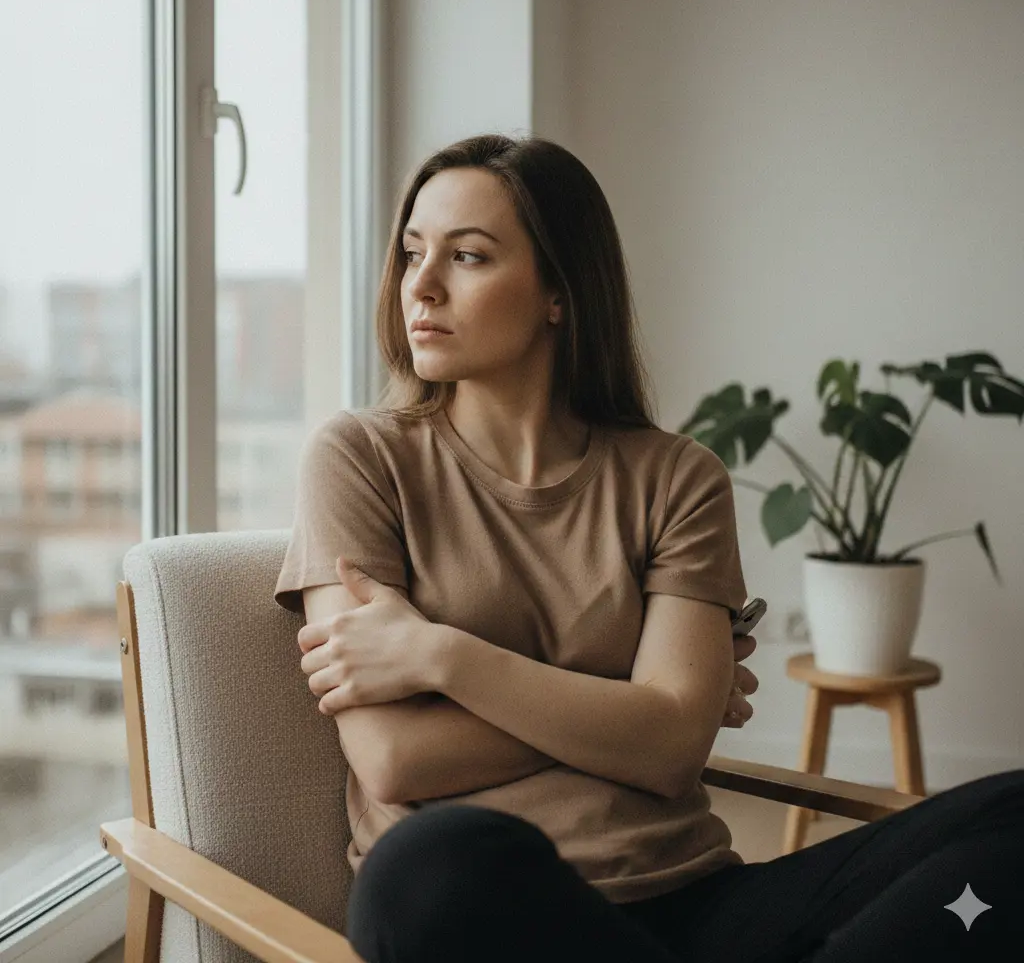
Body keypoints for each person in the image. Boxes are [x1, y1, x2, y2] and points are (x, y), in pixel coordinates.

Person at [273, 133, 1023, 962]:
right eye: (413, 253)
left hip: (699, 904)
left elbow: (671, 754)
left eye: (469, 256)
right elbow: (395, 759)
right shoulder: (359, 459)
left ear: (559, 292)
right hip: (498, 912)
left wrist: (445, 658)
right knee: (421, 868)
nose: (420, 284)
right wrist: (640, 699)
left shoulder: (677, 477)